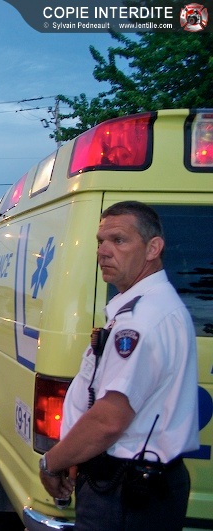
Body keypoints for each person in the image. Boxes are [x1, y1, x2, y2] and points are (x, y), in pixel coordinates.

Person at [38, 201, 199, 530]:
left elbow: (109, 420)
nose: (103, 251)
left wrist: (51, 463)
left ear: (153, 248)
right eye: (100, 241)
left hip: (126, 493)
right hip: (129, 485)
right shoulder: (145, 307)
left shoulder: (142, 319)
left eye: (119, 240)